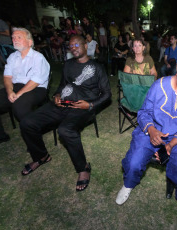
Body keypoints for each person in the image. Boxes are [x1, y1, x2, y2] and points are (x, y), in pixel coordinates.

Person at [116, 48, 177, 228]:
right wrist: (151, 131)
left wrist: (170, 145)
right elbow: (144, 113)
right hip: (151, 131)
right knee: (133, 162)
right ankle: (128, 184)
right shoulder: (159, 85)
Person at [19, 35, 111, 191]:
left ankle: (83, 169)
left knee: (65, 130)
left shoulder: (97, 68)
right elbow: (62, 84)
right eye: (71, 46)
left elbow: (107, 94)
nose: (73, 48)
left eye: (76, 45)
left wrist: (90, 104)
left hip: (81, 108)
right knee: (27, 122)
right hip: (62, 103)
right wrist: (56, 94)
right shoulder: (68, 64)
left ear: (85, 46)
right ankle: (41, 156)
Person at [0, 27, 50, 151]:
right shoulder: (12, 57)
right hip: (15, 87)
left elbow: (36, 80)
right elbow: (7, 77)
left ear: (30, 42)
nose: (15, 39)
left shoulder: (38, 57)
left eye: (19, 37)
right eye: (13, 37)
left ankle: (34, 137)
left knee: (19, 105)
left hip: (36, 88)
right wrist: (10, 91)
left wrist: (18, 94)